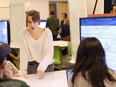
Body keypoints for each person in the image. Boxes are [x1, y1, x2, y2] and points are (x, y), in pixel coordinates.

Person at [20, 10, 54, 79]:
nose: (32, 25)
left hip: (47, 65)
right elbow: (24, 53)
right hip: (32, 66)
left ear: (39, 21)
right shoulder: (23, 33)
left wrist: (41, 67)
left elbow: (49, 52)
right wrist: (22, 71)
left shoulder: (47, 32)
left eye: (34, 21)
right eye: (29, 22)